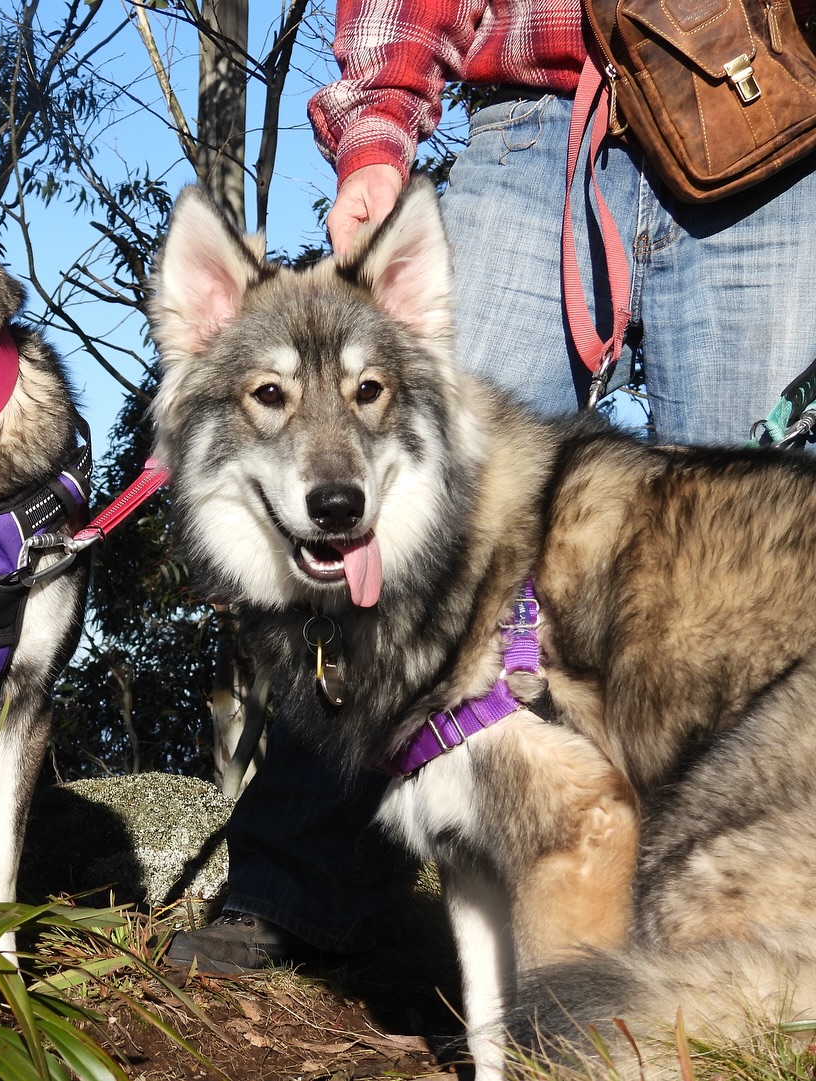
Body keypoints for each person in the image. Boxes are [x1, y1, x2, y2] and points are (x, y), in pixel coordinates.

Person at [167, 0, 816, 974]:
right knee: (385, 494)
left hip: (756, 103)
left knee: (728, 595)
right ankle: (295, 882)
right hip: (529, 113)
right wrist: (378, 133)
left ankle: (693, 944)